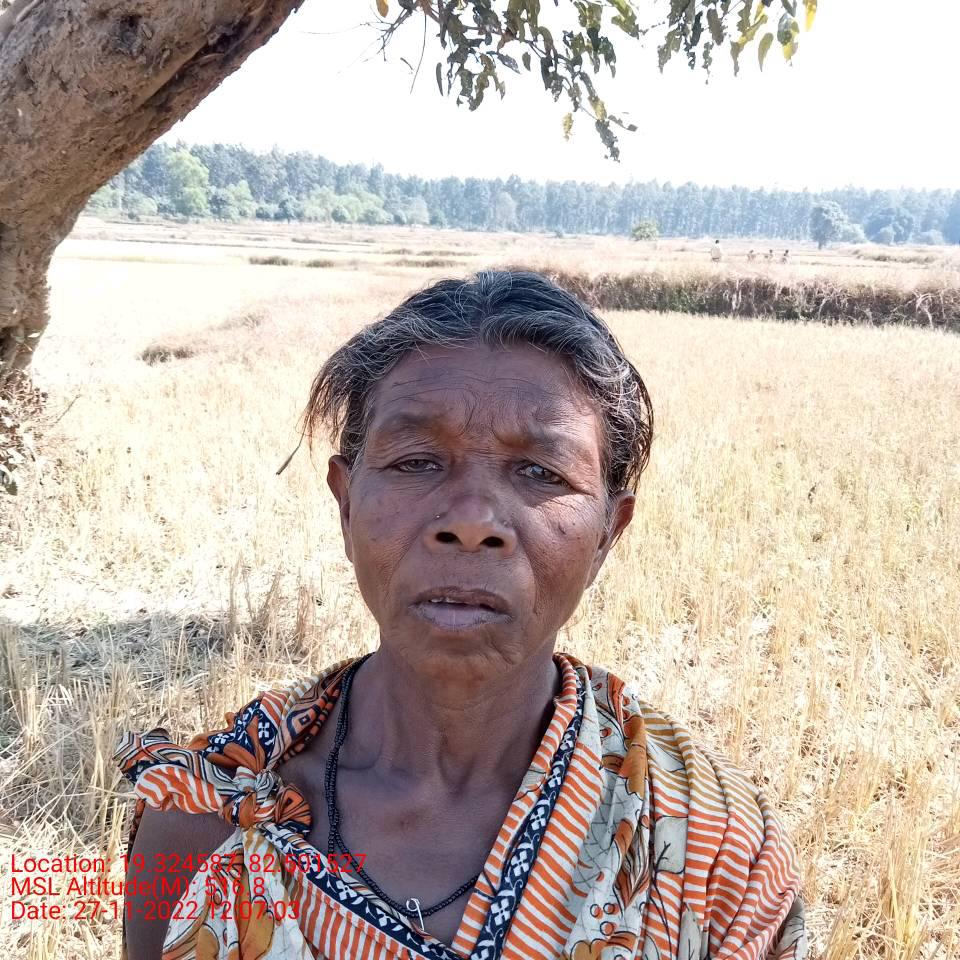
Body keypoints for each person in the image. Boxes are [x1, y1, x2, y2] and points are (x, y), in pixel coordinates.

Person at [114, 271, 807, 960]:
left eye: (541, 472)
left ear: (607, 534)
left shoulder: (715, 849)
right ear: (346, 503)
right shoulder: (203, 821)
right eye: (416, 461)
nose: (472, 522)